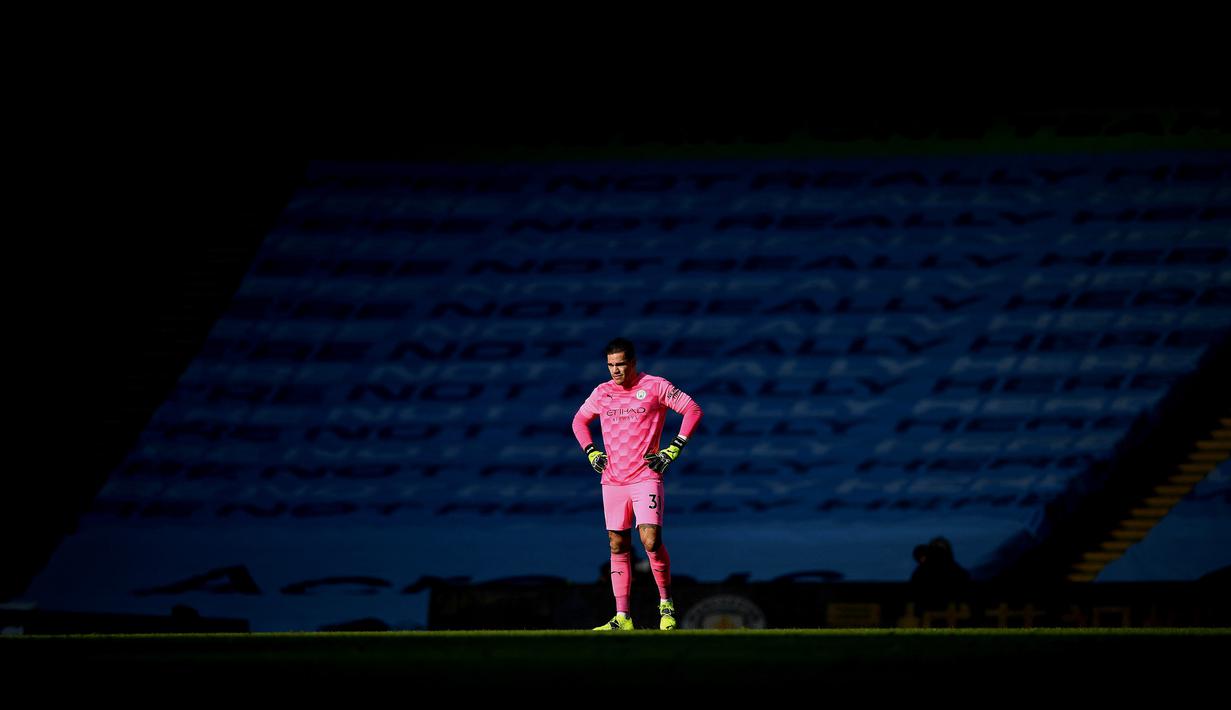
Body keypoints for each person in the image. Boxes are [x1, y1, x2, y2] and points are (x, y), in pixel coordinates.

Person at [572, 338, 702, 630]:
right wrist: (591, 451)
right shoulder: (602, 392)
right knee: (618, 544)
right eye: (610, 365)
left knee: (650, 540)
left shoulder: (655, 386)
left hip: (645, 476)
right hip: (613, 481)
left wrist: (673, 448)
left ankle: (666, 606)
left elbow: (693, 409)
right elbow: (578, 421)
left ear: (633, 362)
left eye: (621, 364)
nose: (615, 371)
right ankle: (622, 617)